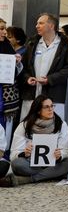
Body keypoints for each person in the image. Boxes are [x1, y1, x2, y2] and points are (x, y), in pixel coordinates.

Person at [0, 95, 68, 187]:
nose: (51, 109)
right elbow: (14, 154)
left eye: (52, 106)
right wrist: (24, 153)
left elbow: (66, 150)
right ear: (38, 110)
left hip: (54, 163)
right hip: (31, 164)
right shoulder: (24, 125)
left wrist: (60, 155)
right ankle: (52, 174)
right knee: (16, 164)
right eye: (46, 107)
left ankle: (28, 179)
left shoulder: (61, 124)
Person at [20, 13, 68, 121]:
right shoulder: (31, 43)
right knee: (28, 126)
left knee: (52, 128)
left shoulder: (65, 46)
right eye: (37, 23)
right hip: (32, 94)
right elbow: (24, 66)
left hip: (54, 94)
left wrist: (50, 79)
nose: (37, 26)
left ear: (51, 26)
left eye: (41, 23)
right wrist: (27, 78)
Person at [0, 18, 23, 151]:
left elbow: (16, 72)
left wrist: (18, 62)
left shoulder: (7, 46)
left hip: (6, 96)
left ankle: (3, 156)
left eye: (5, 29)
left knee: (6, 128)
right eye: (1, 29)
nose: (4, 32)